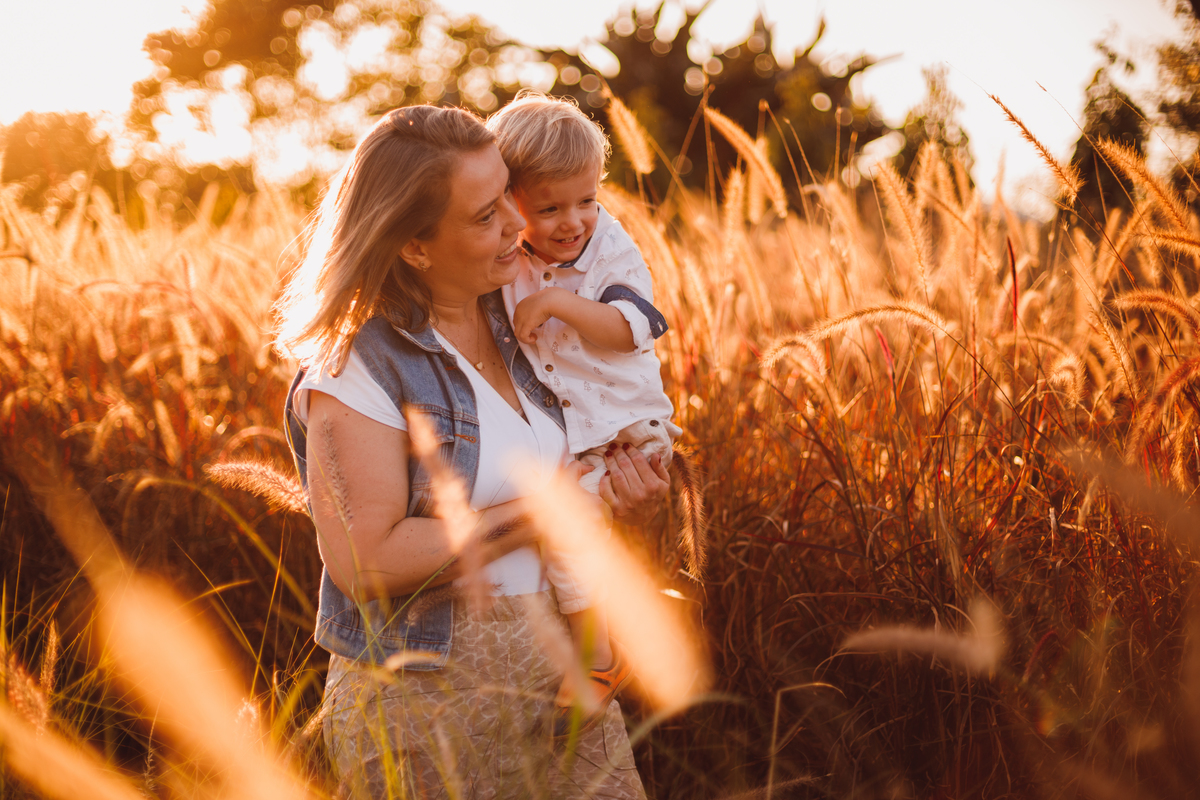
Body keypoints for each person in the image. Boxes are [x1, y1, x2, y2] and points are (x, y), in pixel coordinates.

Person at [275, 104, 669, 799]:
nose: (520, 228)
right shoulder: (356, 369)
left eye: (511, 198)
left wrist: (621, 495)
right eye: (487, 215)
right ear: (415, 246)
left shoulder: (532, 323)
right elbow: (365, 559)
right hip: (427, 700)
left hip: (563, 690)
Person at [486, 92, 681, 733]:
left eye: (587, 201)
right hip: (580, 434)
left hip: (629, 431)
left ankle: (600, 659)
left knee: (571, 533)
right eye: (550, 207)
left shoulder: (610, 249)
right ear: (509, 200)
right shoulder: (511, 255)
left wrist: (556, 305)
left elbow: (633, 328)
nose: (574, 222)